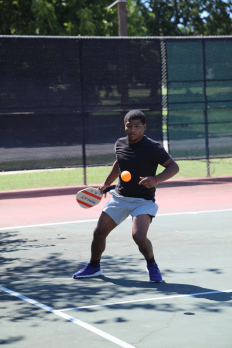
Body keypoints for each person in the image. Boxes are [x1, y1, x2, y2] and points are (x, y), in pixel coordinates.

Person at [73, 110, 179, 282]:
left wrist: (155, 179)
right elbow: (119, 163)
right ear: (125, 126)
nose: (132, 130)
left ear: (144, 127)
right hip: (120, 197)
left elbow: (173, 167)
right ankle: (94, 267)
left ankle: (151, 264)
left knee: (138, 236)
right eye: (129, 126)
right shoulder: (120, 143)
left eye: (137, 126)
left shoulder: (153, 148)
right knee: (99, 232)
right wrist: (107, 183)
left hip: (143, 201)